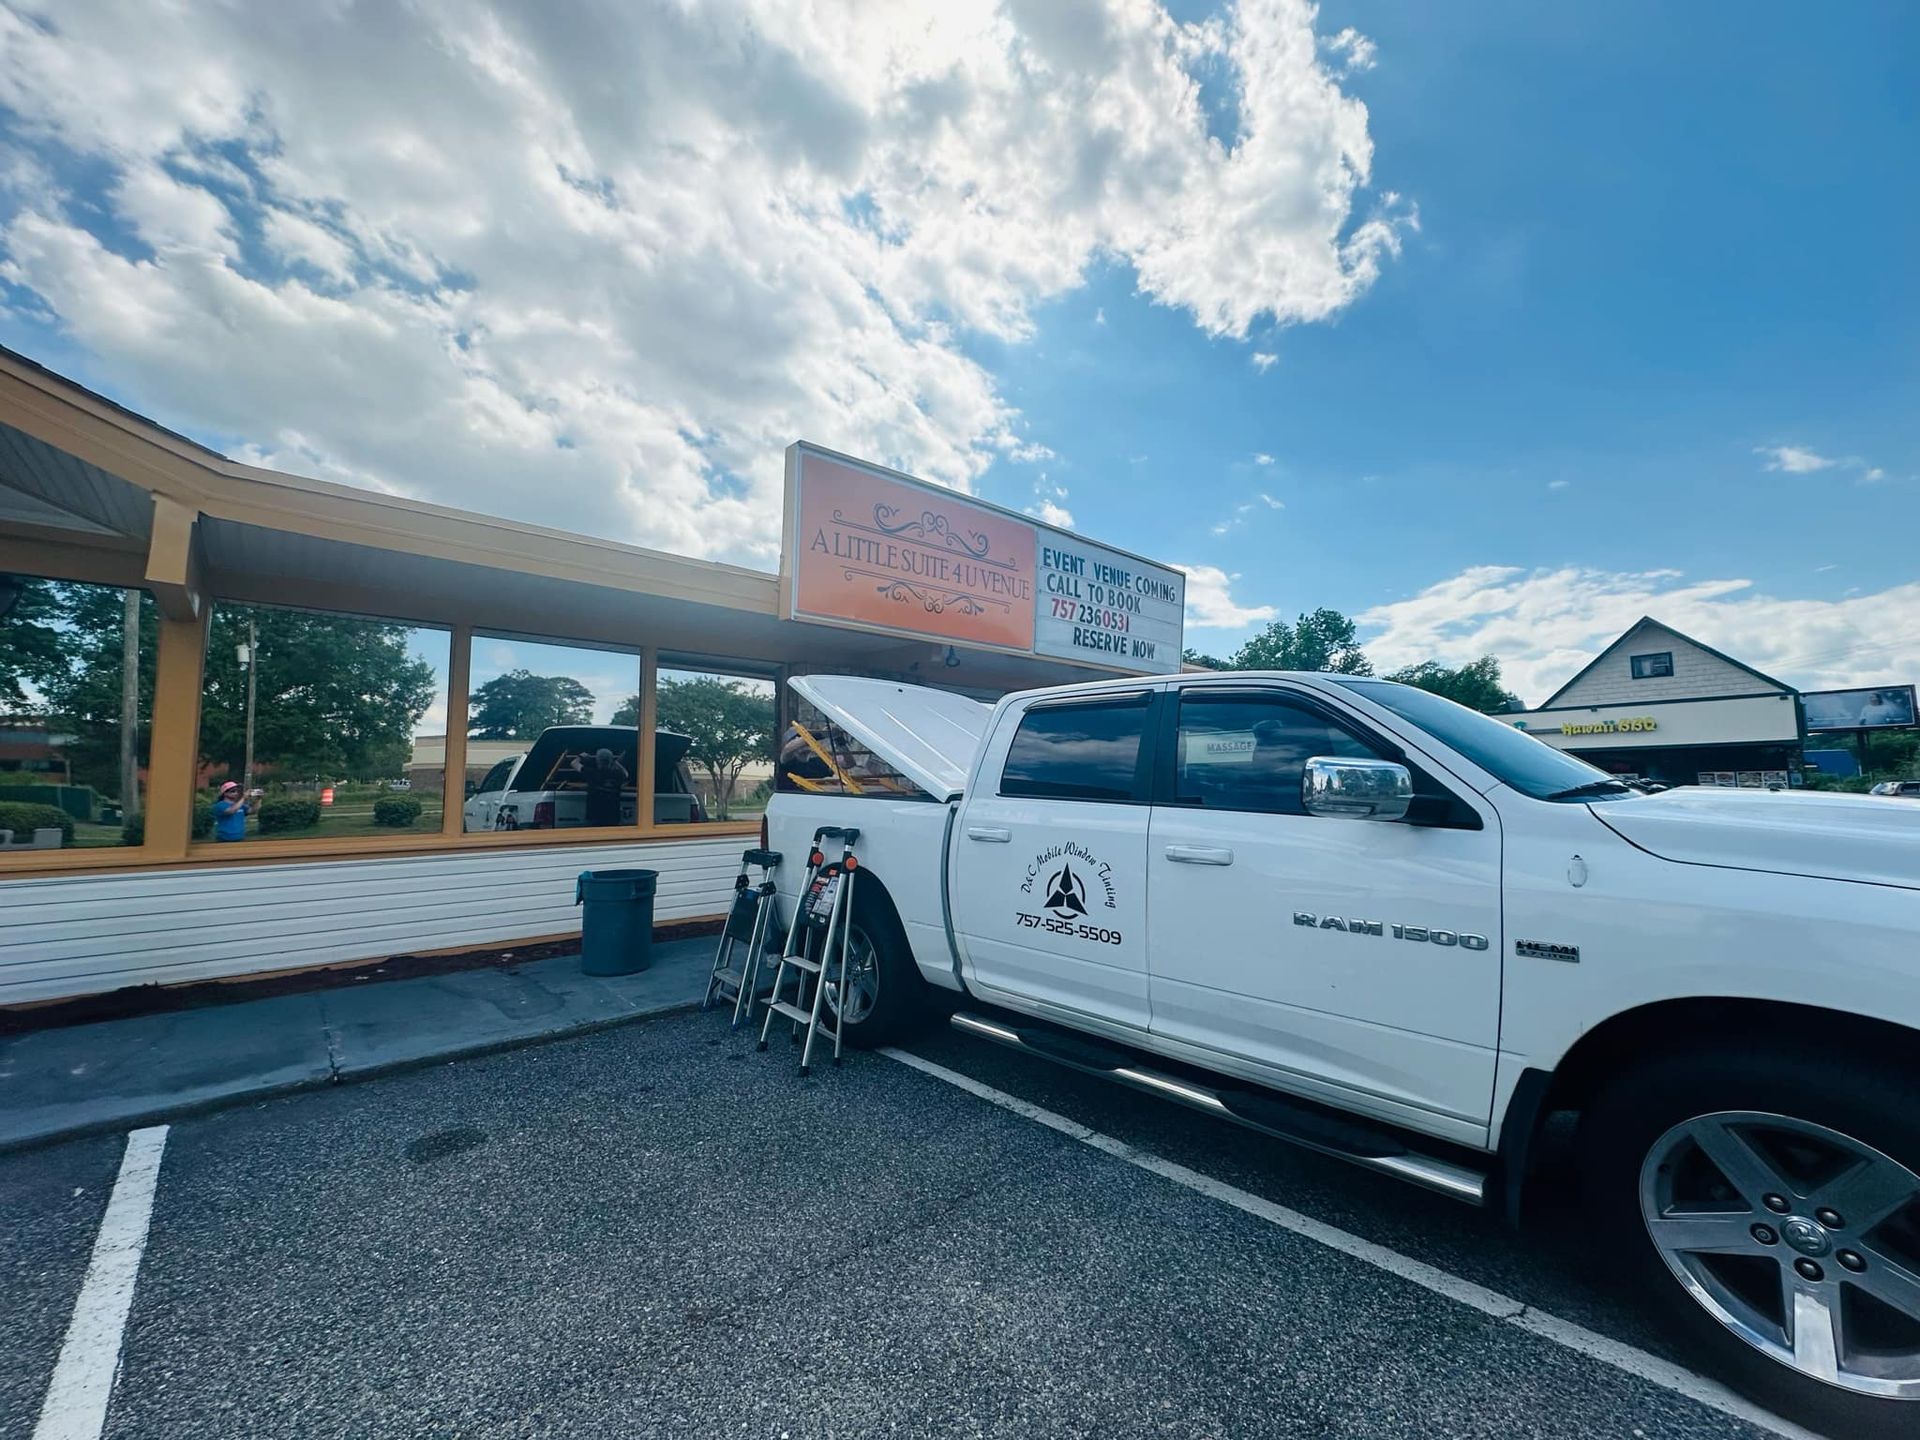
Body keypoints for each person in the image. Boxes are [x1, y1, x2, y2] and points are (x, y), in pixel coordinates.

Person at [580, 747, 629, 827]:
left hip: (594, 817)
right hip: (613, 818)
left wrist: (581, 756)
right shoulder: (617, 774)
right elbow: (626, 774)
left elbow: (574, 764)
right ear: (611, 760)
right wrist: (615, 762)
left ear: (597, 760)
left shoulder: (592, 773)